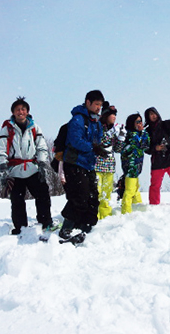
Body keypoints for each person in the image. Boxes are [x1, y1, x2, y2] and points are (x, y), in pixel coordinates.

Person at [0, 97, 54, 235]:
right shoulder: (7, 129)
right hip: (15, 170)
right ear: (13, 113)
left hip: (32, 168)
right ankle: (20, 228)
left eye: (23, 109)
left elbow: (42, 147)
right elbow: (0, 149)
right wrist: (3, 167)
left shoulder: (34, 127)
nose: (20, 112)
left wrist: (42, 163)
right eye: (17, 110)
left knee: (43, 194)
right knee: (17, 200)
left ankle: (46, 222)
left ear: (27, 111)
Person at [59, 90, 106, 239]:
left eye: (101, 105)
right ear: (88, 103)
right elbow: (75, 140)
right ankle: (67, 226)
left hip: (89, 164)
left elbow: (98, 139)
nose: (99, 107)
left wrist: (100, 148)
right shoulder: (78, 120)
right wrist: (93, 147)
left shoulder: (96, 123)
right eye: (97, 104)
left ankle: (86, 224)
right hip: (74, 162)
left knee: (93, 195)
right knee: (80, 195)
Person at [94, 102, 126, 219]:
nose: (114, 117)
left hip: (110, 166)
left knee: (106, 194)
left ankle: (105, 215)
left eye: (115, 115)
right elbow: (98, 142)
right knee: (96, 193)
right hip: (97, 165)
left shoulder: (115, 129)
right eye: (112, 115)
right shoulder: (98, 127)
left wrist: (121, 137)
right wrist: (111, 132)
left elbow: (117, 149)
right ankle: (95, 216)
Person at [120, 113, 150, 214]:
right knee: (130, 190)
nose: (140, 124)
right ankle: (126, 212)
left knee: (135, 189)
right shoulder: (129, 134)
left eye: (141, 121)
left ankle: (138, 209)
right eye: (137, 122)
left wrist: (143, 133)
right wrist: (142, 133)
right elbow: (136, 145)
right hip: (130, 166)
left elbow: (146, 145)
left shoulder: (140, 134)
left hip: (137, 167)